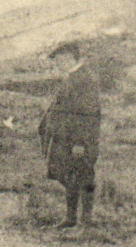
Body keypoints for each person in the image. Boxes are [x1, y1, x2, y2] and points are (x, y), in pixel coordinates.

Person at [38, 41, 105, 229]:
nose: (57, 64)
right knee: (70, 177)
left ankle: (85, 221)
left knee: (83, 176)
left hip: (79, 141)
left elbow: (89, 114)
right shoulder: (72, 78)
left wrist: (80, 143)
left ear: (68, 59)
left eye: (59, 60)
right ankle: (70, 219)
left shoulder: (84, 80)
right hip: (67, 140)